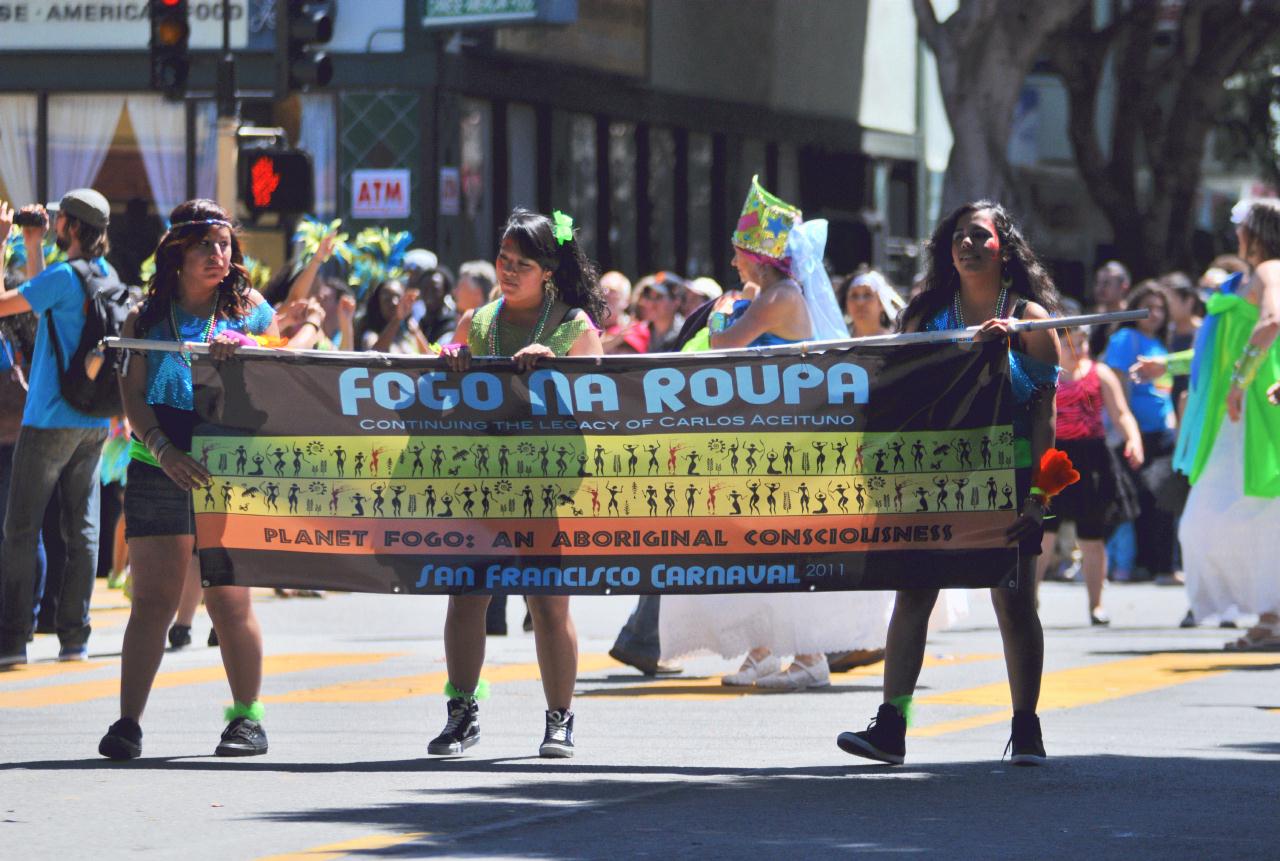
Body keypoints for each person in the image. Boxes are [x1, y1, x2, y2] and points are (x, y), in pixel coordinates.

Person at [837, 200, 1061, 766]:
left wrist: (1040, 498)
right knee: (914, 594)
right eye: (958, 236)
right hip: (931, 479)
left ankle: (1025, 728)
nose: (967, 244)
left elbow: (1044, 419)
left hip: (1005, 480)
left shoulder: (1033, 321)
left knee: (1013, 604)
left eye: (980, 236)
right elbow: (890, 395)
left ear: (1003, 248)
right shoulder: (924, 315)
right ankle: (893, 726)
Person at [658, 177, 894, 691]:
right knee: (756, 544)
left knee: (783, 542)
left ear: (759, 256)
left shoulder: (781, 296)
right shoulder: (767, 293)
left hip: (790, 443)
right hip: (763, 438)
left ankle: (810, 658)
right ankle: (763, 651)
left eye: (739, 254)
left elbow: (724, 346)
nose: (734, 263)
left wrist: (721, 313)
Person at [97, 199, 279, 760]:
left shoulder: (249, 308)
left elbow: (295, 351)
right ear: (177, 253)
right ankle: (128, 724)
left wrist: (247, 349)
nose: (218, 255)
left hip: (230, 472)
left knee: (228, 599)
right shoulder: (144, 318)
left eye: (225, 245)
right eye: (206, 245)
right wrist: (164, 451)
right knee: (151, 602)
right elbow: (134, 403)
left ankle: (247, 720)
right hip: (158, 468)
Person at [435, 208, 605, 758]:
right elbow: (440, 400)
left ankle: (560, 719)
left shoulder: (574, 326)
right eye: (503, 260)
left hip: (545, 485)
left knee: (548, 605)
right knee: (467, 598)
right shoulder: (476, 321)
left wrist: (556, 367)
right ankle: (461, 713)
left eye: (522, 264)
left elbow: (601, 406)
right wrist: (448, 365)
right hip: (480, 481)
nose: (507, 271)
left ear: (549, 271)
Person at [0, 191, 114, 666]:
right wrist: (32, 244)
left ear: (70, 226)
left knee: (21, 528)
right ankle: (75, 638)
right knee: (82, 530)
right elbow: (43, 301)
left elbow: (7, 305)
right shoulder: (105, 277)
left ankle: (11, 640)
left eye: (59, 219)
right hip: (93, 420)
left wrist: (0, 239)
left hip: (48, 417)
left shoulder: (65, 278)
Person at [1175, 198, 1280, 648]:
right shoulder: (1245, 279)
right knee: (1252, 516)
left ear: (1254, 232)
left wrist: (1241, 381)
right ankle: (1270, 615)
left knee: (1231, 517)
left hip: (1258, 407)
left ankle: (1270, 616)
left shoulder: (1269, 269)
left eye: (1240, 227)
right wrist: (1166, 366)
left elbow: (1272, 321)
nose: (1235, 235)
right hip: (1242, 415)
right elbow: (1215, 354)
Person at [1035, 326, 1143, 625]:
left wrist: (1133, 439)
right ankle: (1030, 599)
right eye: (1071, 343)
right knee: (1043, 535)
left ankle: (1096, 604)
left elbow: (1121, 413)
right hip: (1054, 457)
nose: (1078, 348)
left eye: (1082, 342)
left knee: (1092, 538)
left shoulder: (1100, 373)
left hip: (1091, 458)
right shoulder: (1047, 374)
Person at [1103, 283, 1179, 583]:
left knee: (1161, 498)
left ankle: (1160, 565)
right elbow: (1119, 388)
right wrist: (1128, 429)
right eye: (1149, 307)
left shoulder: (1161, 345)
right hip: (1136, 434)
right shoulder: (1126, 339)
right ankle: (1137, 564)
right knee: (1136, 499)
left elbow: (1166, 391)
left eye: (1161, 308)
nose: (1156, 314)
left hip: (1163, 432)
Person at [838, 268, 905, 338]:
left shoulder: (897, 343)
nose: (860, 302)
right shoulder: (836, 342)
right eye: (854, 296)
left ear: (882, 303)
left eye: (867, 295)